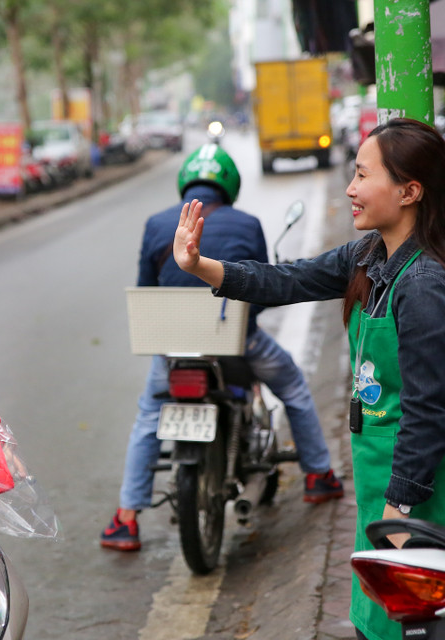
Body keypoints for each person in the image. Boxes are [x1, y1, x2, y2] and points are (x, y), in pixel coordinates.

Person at [172, 119, 445, 640]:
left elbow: (429, 412)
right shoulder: (369, 256)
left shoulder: (425, 286)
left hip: (422, 479)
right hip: (382, 469)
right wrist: (202, 266)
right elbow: (288, 278)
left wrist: (401, 506)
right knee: (382, 618)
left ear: (409, 191)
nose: (350, 188)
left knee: (420, 624)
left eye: (363, 175)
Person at [100, 144, 343, 552]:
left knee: (148, 416)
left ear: (185, 182)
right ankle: (318, 476)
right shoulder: (247, 223)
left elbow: (147, 289)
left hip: (173, 348)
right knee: (294, 388)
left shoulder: (157, 223)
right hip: (236, 343)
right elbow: (262, 288)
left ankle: (126, 519)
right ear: (229, 184)